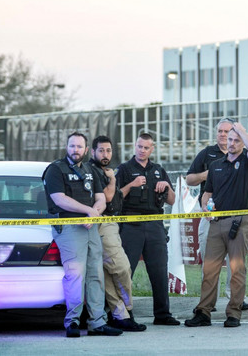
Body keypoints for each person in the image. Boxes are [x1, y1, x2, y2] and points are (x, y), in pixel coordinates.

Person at [42, 132, 123, 337]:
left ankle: (97, 323)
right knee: (75, 275)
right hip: (69, 227)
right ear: (66, 147)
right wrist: (87, 211)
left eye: (79, 147)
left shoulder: (89, 170)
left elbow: (101, 198)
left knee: (96, 274)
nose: (75, 150)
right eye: (72, 146)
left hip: (91, 227)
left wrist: (94, 212)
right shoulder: (55, 169)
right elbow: (59, 199)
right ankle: (72, 322)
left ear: (86, 150)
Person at [184, 122, 248, 328]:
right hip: (216, 223)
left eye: (236, 140)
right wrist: (205, 207)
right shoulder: (216, 164)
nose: (232, 143)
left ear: (241, 142)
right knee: (209, 269)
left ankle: (234, 313)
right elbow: (207, 192)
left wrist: (241, 130)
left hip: (239, 222)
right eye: (230, 139)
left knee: (236, 270)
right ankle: (203, 312)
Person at [116, 133, 180, 326]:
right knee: (126, 272)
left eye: (146, 147)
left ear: (152, 149)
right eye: (139, 146)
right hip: (130, 225)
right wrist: (132, 184)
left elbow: (172, 200)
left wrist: (167, 186)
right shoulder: (124, 170)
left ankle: (163, 314)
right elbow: (115, 197)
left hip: (154, 225)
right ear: (134, 146)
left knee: (159, 271)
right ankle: (124, 314)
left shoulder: (158, 170)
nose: (142, 150)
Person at [88, 135, 146, 331]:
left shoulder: (103, 170)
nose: (105, 154)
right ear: (92, 151)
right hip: (103, 224)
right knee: (121, 268)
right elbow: (108, 196)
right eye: (101, 150)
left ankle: (119, 315)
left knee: (108, 274)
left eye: (109, 150)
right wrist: (112, 179)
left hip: (111, 224)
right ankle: (128, 310)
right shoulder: (94, 171)